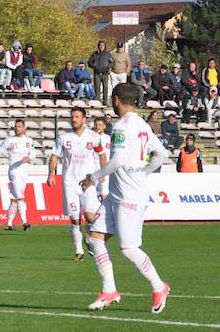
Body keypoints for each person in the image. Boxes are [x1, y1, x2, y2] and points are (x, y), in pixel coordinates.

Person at [80, 82, 170, 313]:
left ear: (117, 99)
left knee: (128, 248)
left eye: (112, 99)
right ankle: (109, 289)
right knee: (95, 237)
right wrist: (144, 172)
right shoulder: (142, 125)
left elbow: (118, 160)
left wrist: (93, 177)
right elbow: (161, 153)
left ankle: (159, 286)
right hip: (118, 195)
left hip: (128, 197)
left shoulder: (120, 127)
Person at [48, 107, 108, 261]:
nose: (73, 119)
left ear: (83, 119)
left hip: (88, 183)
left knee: (90, 217)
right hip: (70, 183)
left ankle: (89, 238)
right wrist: (51, 174)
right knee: (75, 218)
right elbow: (54, 156)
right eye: (72, 116)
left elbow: (102, 155)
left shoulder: (94, 137)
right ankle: (79, 251)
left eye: (76, 117)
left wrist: (102, 173)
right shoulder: (63, 137)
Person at [0, 118, 35, 231]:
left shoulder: (29, 140)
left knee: (14, 199)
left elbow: (33, 153)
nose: (17, 128)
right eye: (16, 126)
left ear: (24, 128)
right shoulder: (9, 140)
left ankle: (9, 224)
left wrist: (29, 157)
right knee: (20, 197)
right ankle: (25, 222)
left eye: (19, 126)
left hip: (24, 172)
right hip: (14, 172)